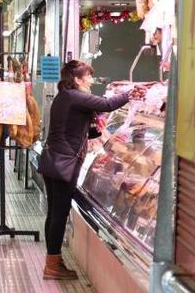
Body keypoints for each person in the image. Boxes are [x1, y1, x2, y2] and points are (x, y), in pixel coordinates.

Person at [41, 60, 129, 280]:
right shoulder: (75, 95)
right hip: (65, 163)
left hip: (54, 159)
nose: (91, 80)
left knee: (54, 213)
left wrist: (101, 135)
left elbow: (75, 130)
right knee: (59, 215)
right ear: (77, 79)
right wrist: (132, 93)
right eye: (88, 76)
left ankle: (53, 260)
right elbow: (107, 104)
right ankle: (52, 266)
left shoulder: (64, 96)